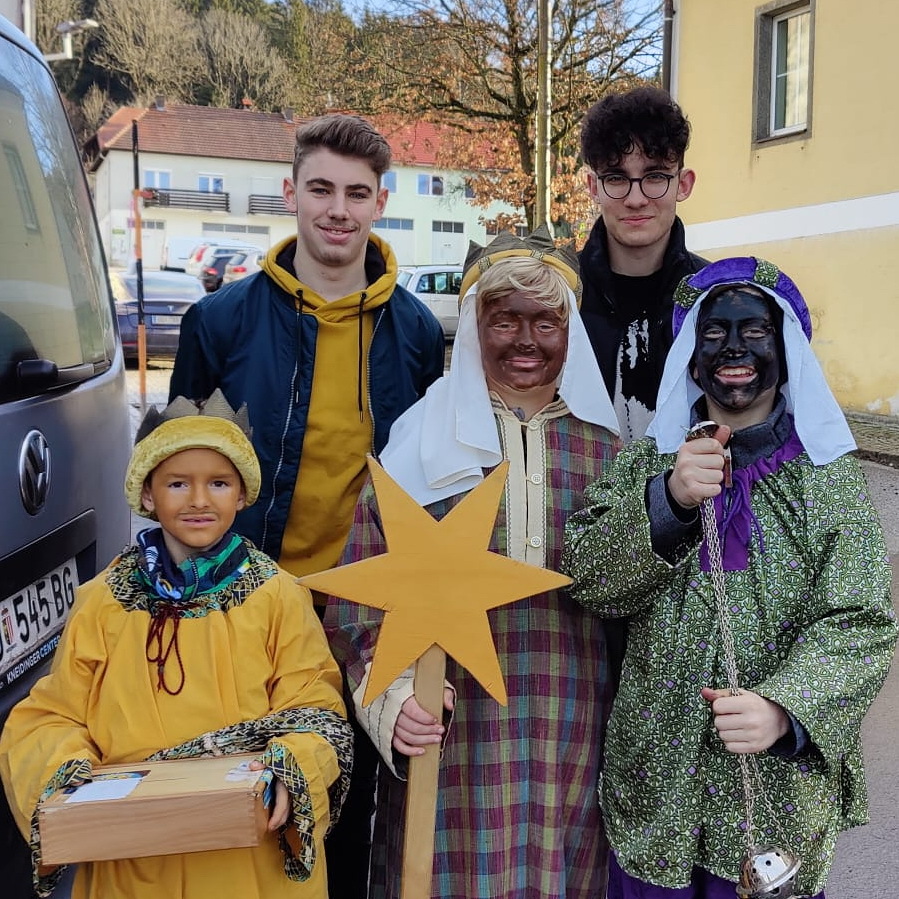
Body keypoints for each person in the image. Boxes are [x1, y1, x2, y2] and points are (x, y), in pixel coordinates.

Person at [168, 113, 445, 897]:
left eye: (356, 193)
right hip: (246, 610)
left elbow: (427, 482)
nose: (337, 210)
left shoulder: (416, 331)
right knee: (243, 813)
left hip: (362, 620)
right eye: (321, 188)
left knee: (346, 817)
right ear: (290, 193)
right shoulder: (218, 320)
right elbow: (174, 474)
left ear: (379, 203)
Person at [562, 257, 899, 898]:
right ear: (692, 359)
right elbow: (590, 579)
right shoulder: (647, 463)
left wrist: (786, 707)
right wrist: (668, 499)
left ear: (786, 351)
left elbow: (861, 620)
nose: (735, 349)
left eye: (755, 332)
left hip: (772, 801)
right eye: (714, 333)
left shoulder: (827, 477)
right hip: (658, 784)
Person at [325, 228, 621, 899]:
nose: (526, 340)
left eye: (546, 321)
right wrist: (394, 700)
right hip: (453, 730)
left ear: (569, 330)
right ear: (473, 326)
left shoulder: (607, 451)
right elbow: (358, 604)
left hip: (572, 728)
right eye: (504, 319)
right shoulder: (421, 442)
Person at [0, 390, 353, 899]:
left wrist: (293, 764)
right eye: (177, 483)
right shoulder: (103, 602)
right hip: (135, 854)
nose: (199, 500)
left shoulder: (277, 596)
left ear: (242, 495)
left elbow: (315, 707)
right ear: (147, 495)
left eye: (218, 483)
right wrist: (66, 774)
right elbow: (51, 716)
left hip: (245, 861)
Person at [579, 85, 706, 443]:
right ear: (594, 186)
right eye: (616, 178)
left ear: (683, 184)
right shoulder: (559, 299)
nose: (636, 199)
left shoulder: (713, 298)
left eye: (655, 177)